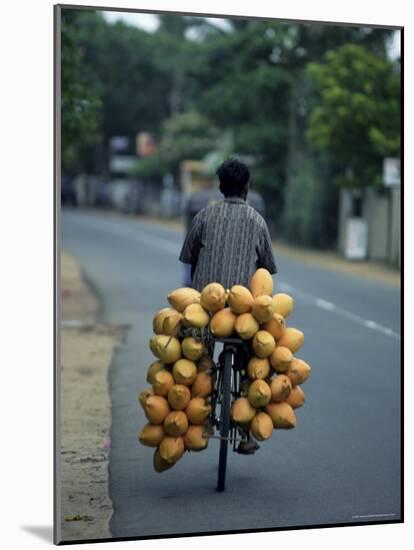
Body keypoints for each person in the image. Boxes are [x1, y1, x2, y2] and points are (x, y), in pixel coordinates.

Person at [179, 158, 277, 454]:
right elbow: (266, 270)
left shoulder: (204, 217)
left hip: (204, 311)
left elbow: (188, 257)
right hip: (243, 314)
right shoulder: (257, 221)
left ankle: (202, 420)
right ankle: (247, 432)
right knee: (255, 368)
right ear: (246, 188)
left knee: (197, 361)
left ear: (220, 187)